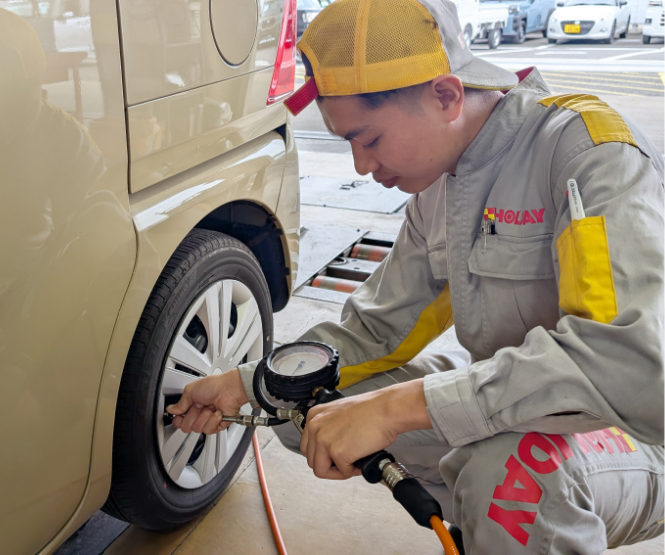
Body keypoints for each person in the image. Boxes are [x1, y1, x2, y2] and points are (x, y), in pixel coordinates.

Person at [166, 0, 665, 552]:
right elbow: (376, 330)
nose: (360, 165)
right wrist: (243, 384)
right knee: (303, 408)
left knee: (509, 476)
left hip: (635, 427)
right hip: (520, 400)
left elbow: (626, 365)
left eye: (369, 139)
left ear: (446, 96)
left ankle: (504, 516)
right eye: (348, 143)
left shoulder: (588, 154)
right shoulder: (440, 189)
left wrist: (393, 409)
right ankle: (492, 528)